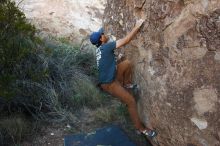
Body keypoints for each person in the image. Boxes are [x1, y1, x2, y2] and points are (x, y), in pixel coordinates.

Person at [89, 19, 157, 138]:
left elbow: (108, 61)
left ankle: (126, 84)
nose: (104, 34)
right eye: (102, 34)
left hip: (112, 76)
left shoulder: (99, 50)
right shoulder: (106, 47)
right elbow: (126, 40)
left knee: (127, 63)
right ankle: (141, 129)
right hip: (109, 84)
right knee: (130, 102)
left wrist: (117, 59)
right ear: (101, 39)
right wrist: (136, 27)